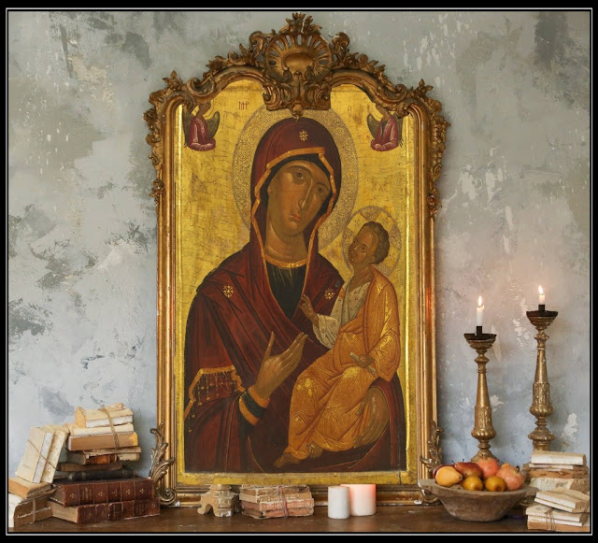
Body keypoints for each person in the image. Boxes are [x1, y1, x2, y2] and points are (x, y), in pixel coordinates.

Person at [183, 117, 405, 473]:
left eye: (319, 190)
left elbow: (378, 356)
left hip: (337, 472)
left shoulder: (335, 286)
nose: (305, 198)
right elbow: (199, 433)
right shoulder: (220, 297)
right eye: (298, 176)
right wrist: (258, 394)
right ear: (267, 181)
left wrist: (380, 402)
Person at [273, 222, 401, 468]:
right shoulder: (348, 285)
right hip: (339, 356)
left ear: (373, 257)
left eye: (363, 248)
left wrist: (372, 358)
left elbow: (391, 335)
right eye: (355, 242)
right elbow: (339, 329)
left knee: (348, 382)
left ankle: (320, 443)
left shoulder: (383, 290)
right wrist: (314, 318)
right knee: (306, 381)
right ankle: (295, 449)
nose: (355, 250)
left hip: (363, 363)